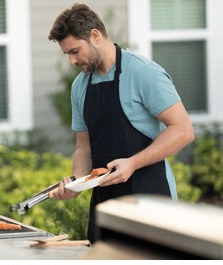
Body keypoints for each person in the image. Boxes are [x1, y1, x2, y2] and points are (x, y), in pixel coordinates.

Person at [48, 3, 195, 243]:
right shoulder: (80, 87)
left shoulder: (144, 72)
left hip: (151, 198)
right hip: (105, 203)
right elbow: (83, 147)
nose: (72, 61)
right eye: (68, 54)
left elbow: (183, 131)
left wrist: (133, 163)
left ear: (94, 36)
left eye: (75, 51)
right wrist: (75, 184)